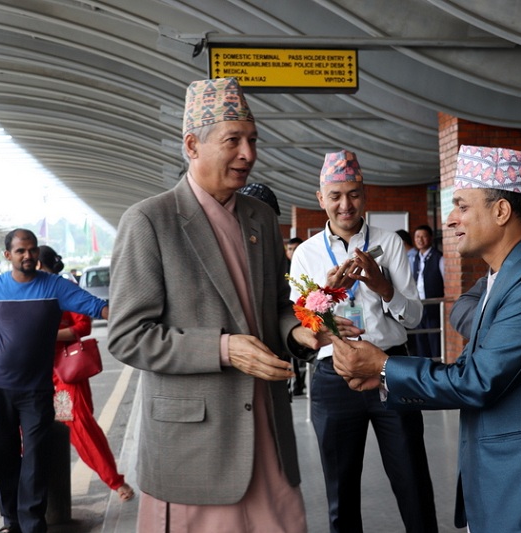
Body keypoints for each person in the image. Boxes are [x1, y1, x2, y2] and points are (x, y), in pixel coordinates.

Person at [330, 145, 521, 533]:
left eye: (462, 206)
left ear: (501, 212)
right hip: (518, 485)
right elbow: (474, 370)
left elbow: (478, 380)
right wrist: (383, 375)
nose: (450, 219)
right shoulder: (506, 274)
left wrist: (383, 365)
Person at [107, 77, 320, 533]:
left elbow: (276, 307)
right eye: (233, 141)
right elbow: (127, 337)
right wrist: (224, 349)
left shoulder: (261, 217)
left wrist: (296, 331)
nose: (248, 154)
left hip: (267, 428)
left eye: (253, 140)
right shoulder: (150, 221)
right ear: (192, 145)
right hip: (195, 446)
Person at [288, 149, 437, 533]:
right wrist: (327, 293)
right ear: (321, 198)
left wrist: (382, 286)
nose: (345, 204)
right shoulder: (305, 254)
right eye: (335, 196)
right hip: (333, 375)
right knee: (340, 490)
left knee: (413, 480)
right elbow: (302, 323)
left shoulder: (390, 244)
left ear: (365, 195)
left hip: (390, 370)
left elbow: (414, 317)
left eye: (353, 194)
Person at [0, 229, 108, 533]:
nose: (27, 255)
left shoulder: (55, 286)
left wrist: (135, 314)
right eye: (20, 251)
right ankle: (11, 522)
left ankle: (32, 526)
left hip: (37, 390)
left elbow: (97, 307)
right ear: (8, 255)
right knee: (0, 460)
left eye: (32, 250)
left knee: (36, 461)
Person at [37, 245, 134, 502]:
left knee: (79, 424)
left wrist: (46, 335)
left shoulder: (64, 289)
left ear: (37, 264)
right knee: (26, 429)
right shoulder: (21, 290)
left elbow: (83, 326)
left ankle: (114, 480)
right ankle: (30, 497)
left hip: (64, 373)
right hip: (31, 372)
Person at [237, 183, 307, 397]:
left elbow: (282, 302)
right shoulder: (229, 250)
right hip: (238, 357)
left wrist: (295, 331)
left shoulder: (275, 255)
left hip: (274, 351)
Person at [411, 225, 444, 359]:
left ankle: (437, 367)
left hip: (433, 307)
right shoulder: (415, 258)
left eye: (423, 236)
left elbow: (447, 283)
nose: (420, 239)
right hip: (419, 306)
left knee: (435, 342)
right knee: (421, 342)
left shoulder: (439, 258)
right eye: (417, 237)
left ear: (430, 238)